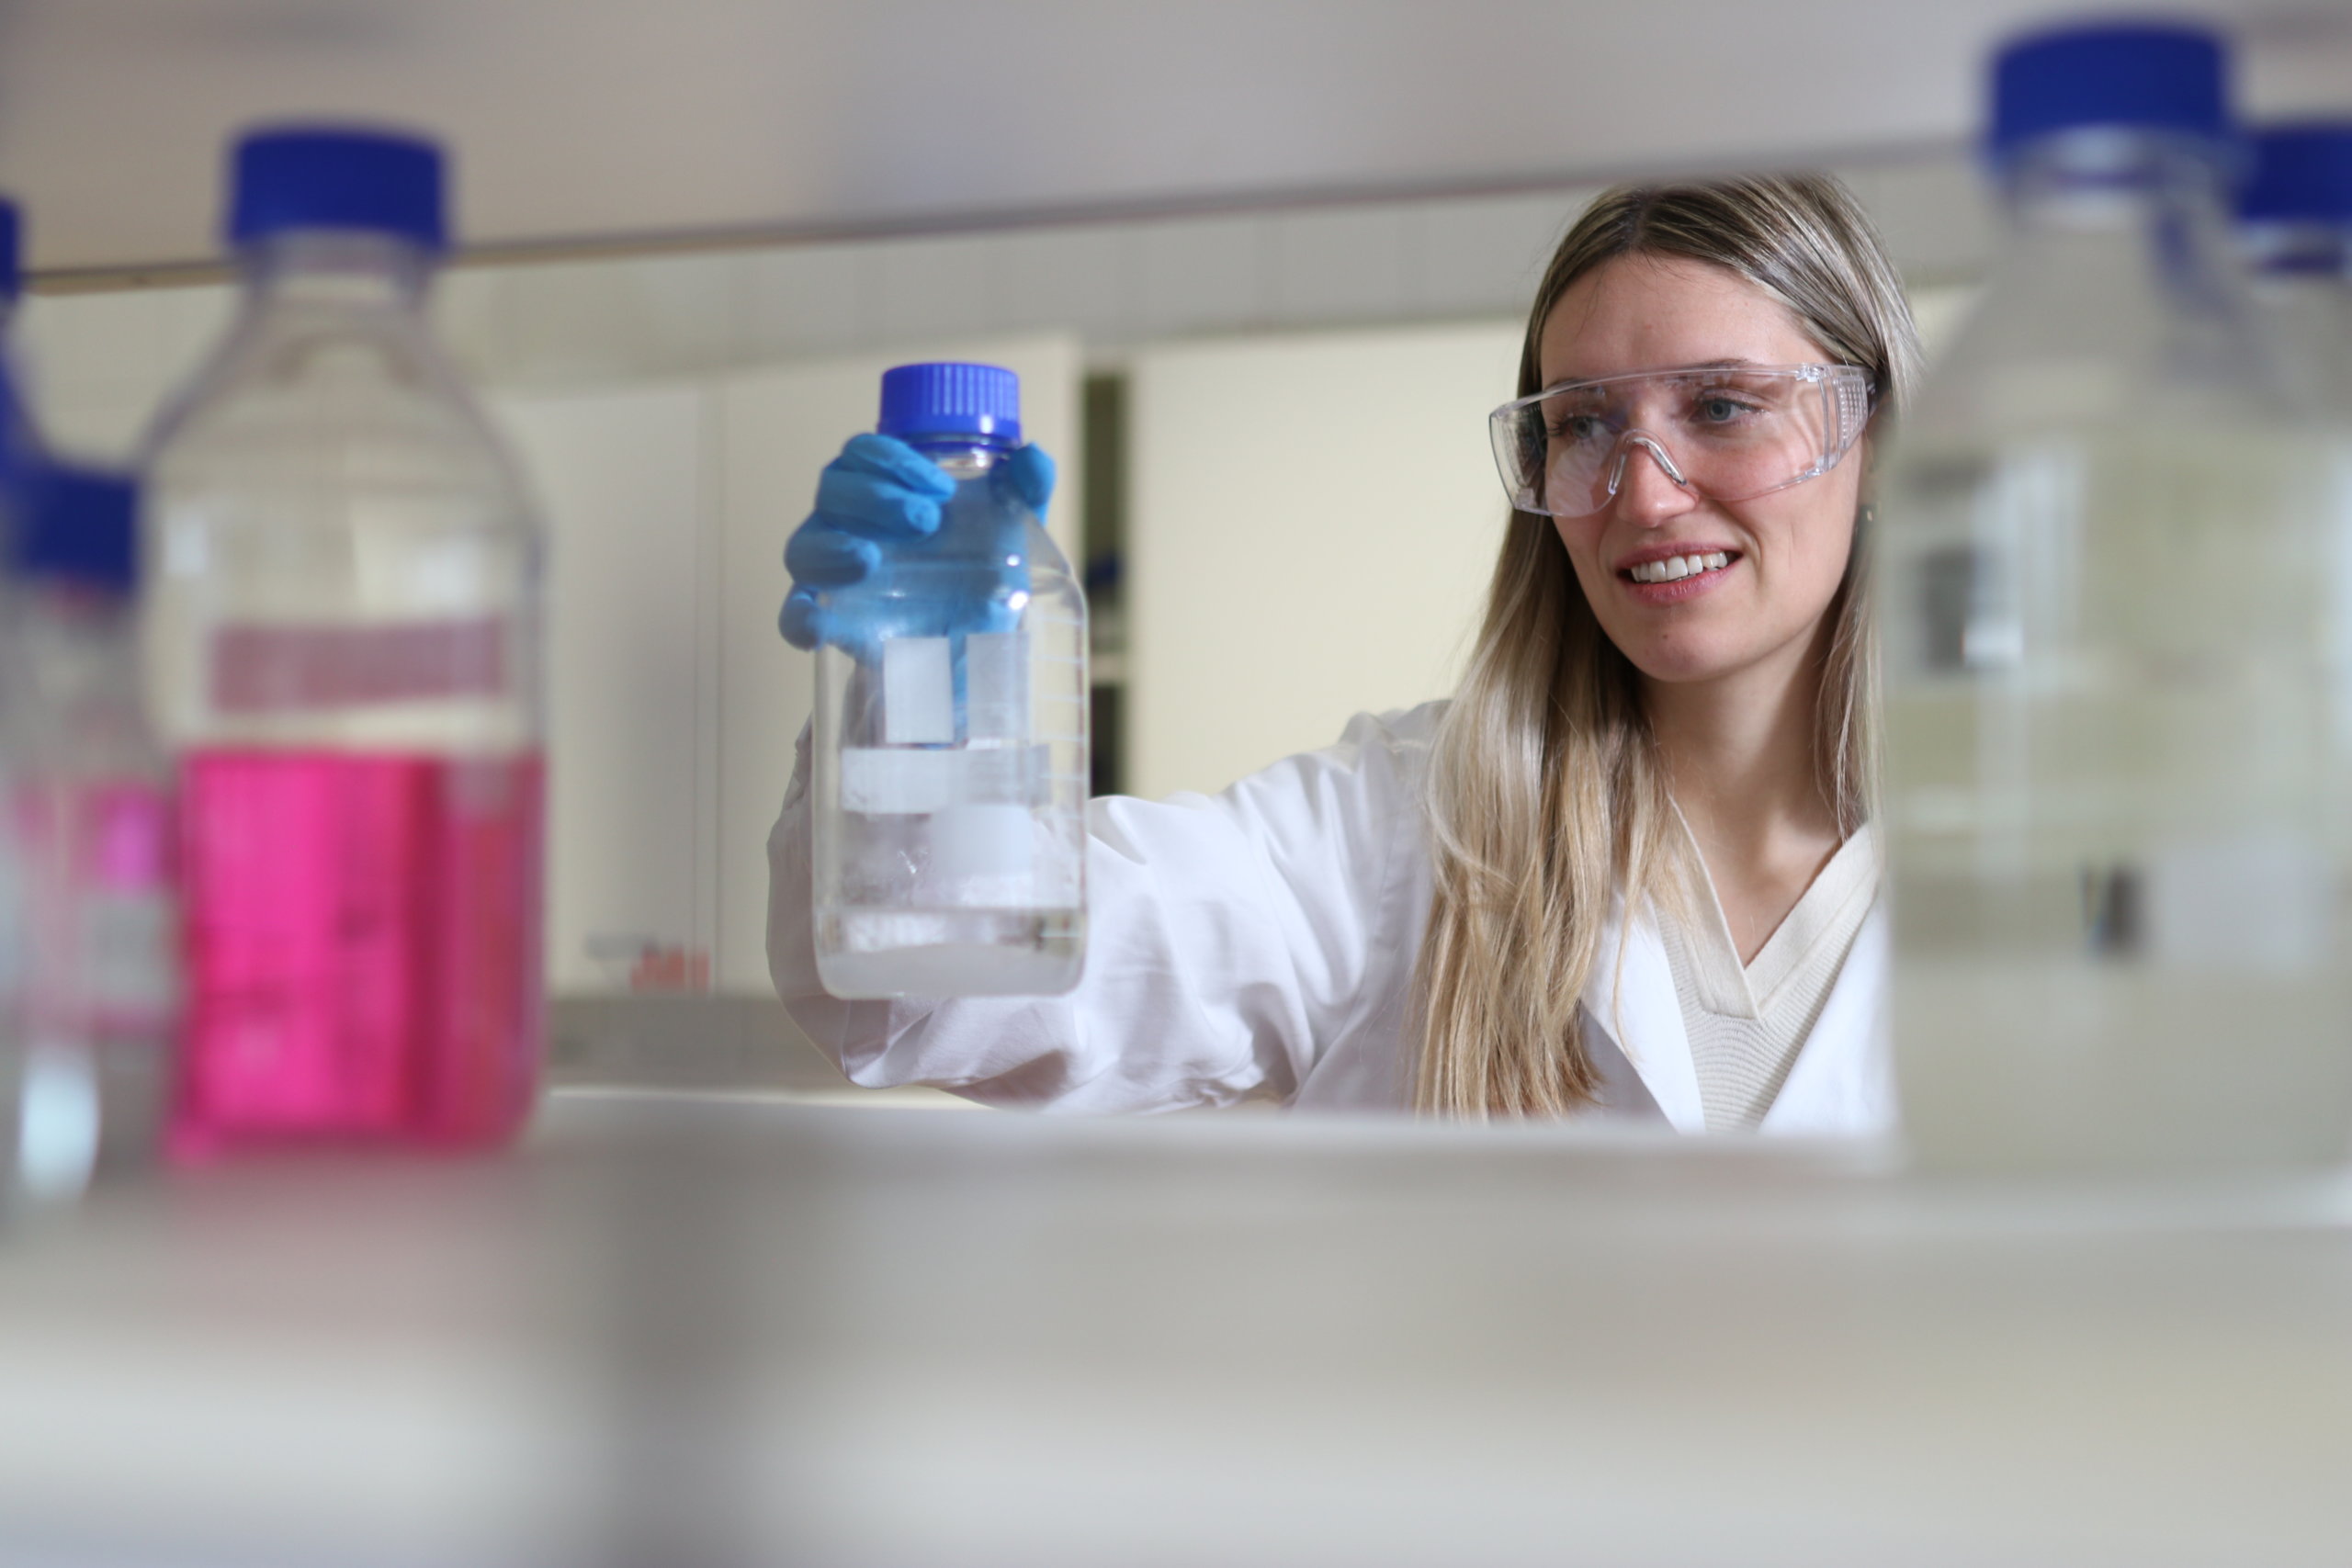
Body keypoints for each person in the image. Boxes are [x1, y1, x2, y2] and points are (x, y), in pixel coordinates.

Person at [768, 173, 1921, 1130]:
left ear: (1869, 435)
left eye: (1720, 406)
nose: (1646, 494)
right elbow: (934, 994)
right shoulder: (1403, 835)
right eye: (1585, 424)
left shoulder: (2059, 847)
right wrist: (919, 700)